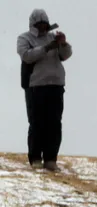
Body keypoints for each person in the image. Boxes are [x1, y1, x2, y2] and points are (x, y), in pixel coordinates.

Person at [16, 9, 72, 171]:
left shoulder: (52, 37)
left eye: (44, 24)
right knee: (37, 123)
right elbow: (26, 56)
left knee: (54, 124)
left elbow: (66, 55)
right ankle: (35, 159)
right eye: (39, 24)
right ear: (33, 24)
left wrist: (63, 43)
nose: (42, 27)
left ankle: (50, 159)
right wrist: (46, 48)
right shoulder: (24, 38)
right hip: (36, 86)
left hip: (56, 85)